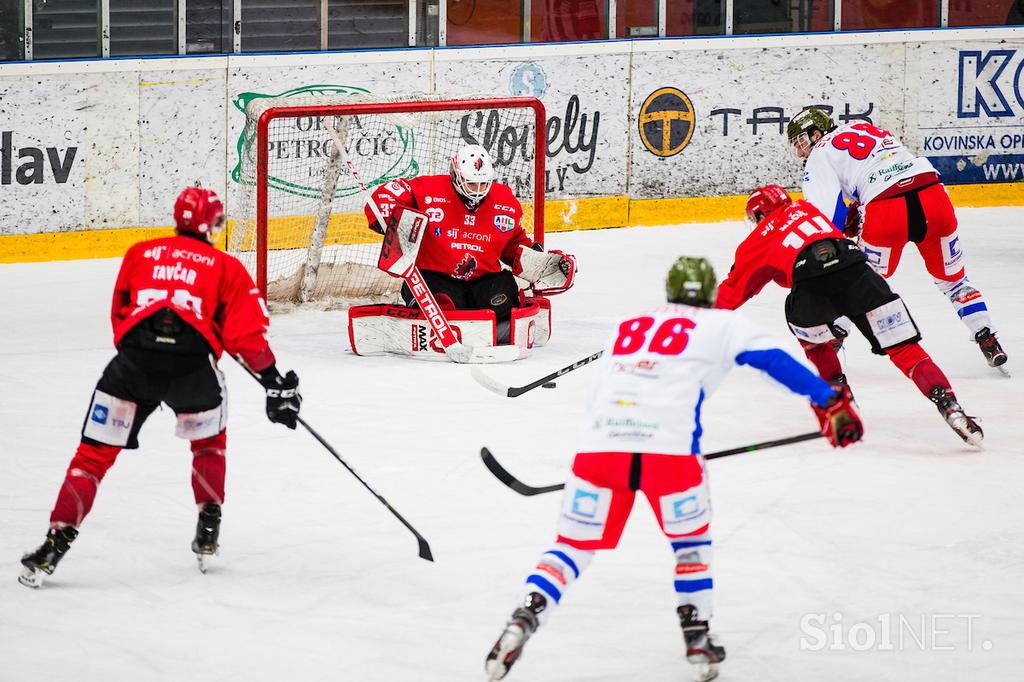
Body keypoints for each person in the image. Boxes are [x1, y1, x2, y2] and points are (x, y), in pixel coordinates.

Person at [484, 257, 863, 682]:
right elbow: (775, 361)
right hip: (670, 455)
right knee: (690, 545)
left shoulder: (629, 327)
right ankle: (697, 634)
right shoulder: (722, 324)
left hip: (599, 450)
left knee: (571, 547)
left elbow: (600, 395)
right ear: (710, 292)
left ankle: (524, 617)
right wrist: (829, 402)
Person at [19, 187, 302, 588]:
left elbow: (121, 312)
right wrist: (275, 384)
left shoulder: (140, 253)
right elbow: (247, 336)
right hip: (191, 370)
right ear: (210, 224)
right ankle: (208, 525)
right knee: (208, 445)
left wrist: (141, 356)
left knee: (93, 457)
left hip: (133, 365)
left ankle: (54, 543)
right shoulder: (225, 266)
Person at [716, 184, 982, 446]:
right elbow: (847, 221)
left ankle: (839, 399)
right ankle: (950, 406)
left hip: (811, 287)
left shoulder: (759, 236)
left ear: (760, 214)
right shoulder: (808, 209)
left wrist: (693, 317)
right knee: (906, 351)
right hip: (859, 273)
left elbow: (734, 291)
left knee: (814, 341)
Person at [787, 107, 1007, 373]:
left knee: (855, 282)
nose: (800, 151)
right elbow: (880, 168)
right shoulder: (862, 127)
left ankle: (832, 342)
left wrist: (829, 250)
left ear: (817, 133)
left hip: (887, 210)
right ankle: (987, 337)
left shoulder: (819, 153)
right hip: (933, 196)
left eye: (801, 142)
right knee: (954, 280)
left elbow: (827, 214)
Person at [364, 144, 576, 327]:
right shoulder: (428, 189)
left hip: (483, 280)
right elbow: (382, 197)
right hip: (436, 277)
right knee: (446, 304)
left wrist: (545, 265)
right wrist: (387, 216)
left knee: (502, 304)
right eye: (471, 183)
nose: (477, 190)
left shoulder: (504, 201)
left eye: (483, 184)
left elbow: (512, 243)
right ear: (456, 175)